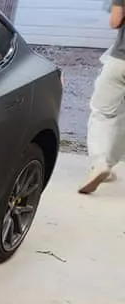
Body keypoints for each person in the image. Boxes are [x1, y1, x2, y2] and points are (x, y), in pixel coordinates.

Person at [78, 0, 125, 194]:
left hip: (121, 60)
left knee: (101, 112)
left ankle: (99, 164)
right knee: (121, 117)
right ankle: (109, 165)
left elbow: (115, 21)